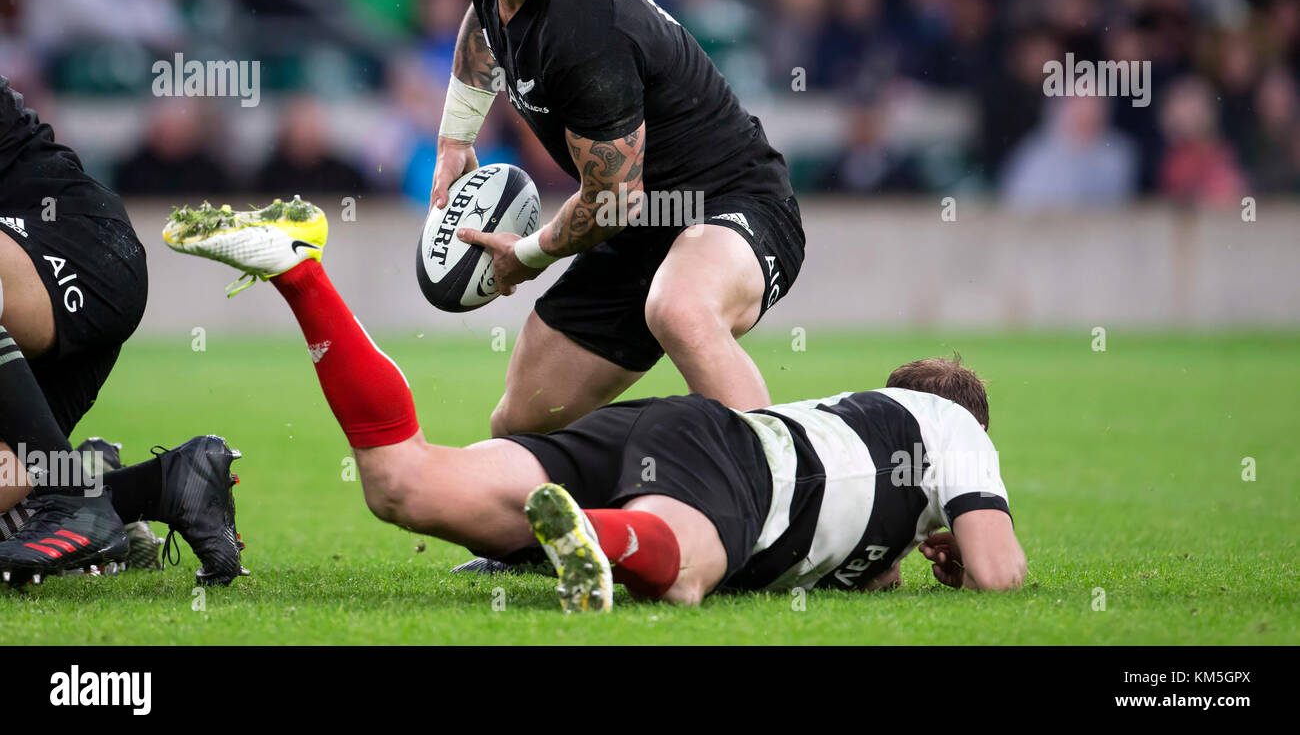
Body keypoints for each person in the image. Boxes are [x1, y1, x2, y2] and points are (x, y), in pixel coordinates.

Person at [164, 198, 1025, 612]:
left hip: (658, 429)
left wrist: (909, 551)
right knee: (684, 571)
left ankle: (300, 271)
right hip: (729, 463)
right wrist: (962, 538)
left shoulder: (865, 453)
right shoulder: (953, 429)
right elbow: (1000, 575)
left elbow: (859, 557)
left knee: (406, 484)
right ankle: (598, 537)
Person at [429, 0, 805, 437]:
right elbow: (484, 13)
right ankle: (575, 529)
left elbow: (612, 201)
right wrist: (454, 139)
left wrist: (526, 256)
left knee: (679, 310)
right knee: (521, 423)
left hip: (733, 204)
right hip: (636, 228)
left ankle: (792, 502)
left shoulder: (587, 33)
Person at [0, 76, 244, 585]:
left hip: (73, 246)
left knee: (49, 486)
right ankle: (160, 487)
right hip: (27, 319)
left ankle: (69, 496)